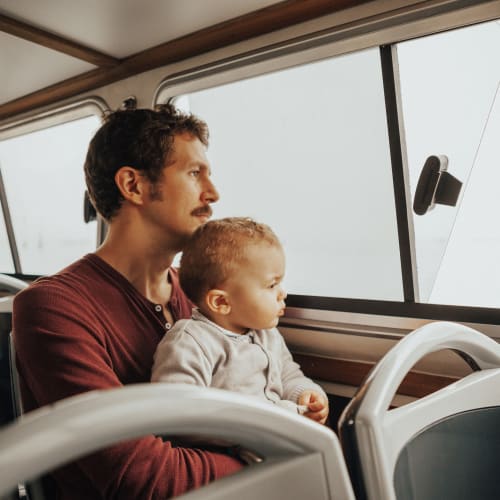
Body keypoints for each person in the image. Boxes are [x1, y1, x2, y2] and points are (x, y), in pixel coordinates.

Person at [12, 104, 244, 499]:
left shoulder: (204, 296)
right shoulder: (52, 307)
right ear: (133, 186)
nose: (214, 193)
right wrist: (271, 457)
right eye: (194, 173)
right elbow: (142, 479)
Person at [151, 217, 329, 424]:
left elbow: (289, 376)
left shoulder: (267, 335)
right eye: (271, 285)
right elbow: (178, 411)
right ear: (221, 302)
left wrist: (304, 394)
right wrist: (282, 412)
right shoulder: (190, 342)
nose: (283, 293)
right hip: (228, 445)